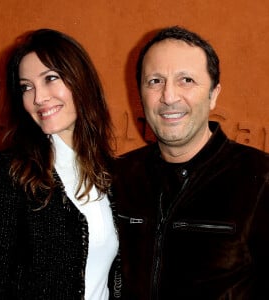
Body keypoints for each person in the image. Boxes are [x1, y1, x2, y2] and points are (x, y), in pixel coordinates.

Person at [112, 25, 269, 299]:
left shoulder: (261, 178)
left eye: (186, 80)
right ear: (140, 94)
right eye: (155, 81)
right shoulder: (117, 176)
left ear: (214, 94)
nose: (169, 97)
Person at [0, 28, 121, 299]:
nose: (38, 98)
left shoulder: (112, 173)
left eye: (51, 78)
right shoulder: (10, 172)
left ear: (80, 80)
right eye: (26, 87)